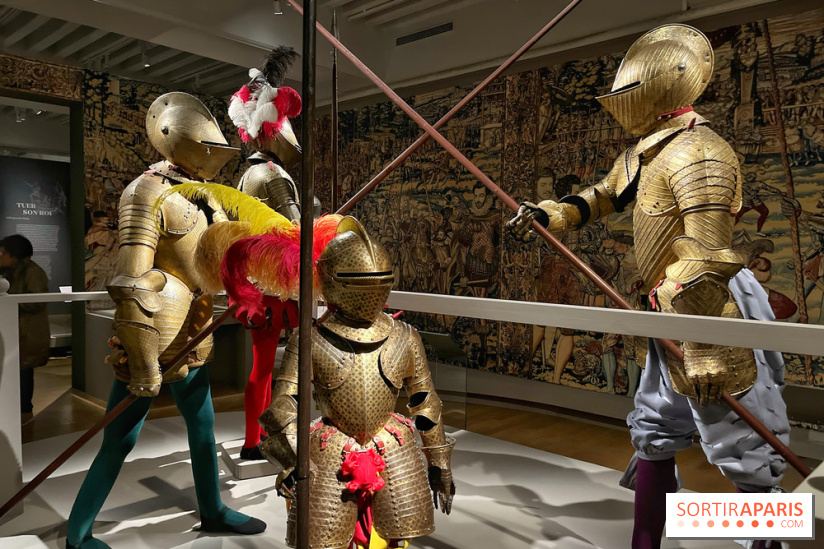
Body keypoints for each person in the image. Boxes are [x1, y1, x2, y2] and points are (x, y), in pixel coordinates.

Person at [508, 24, 789, 549]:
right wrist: (556, 214)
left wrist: (703, 342)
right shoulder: (647, 152)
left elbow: (707, 256)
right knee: (656, 433)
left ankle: (767, 541)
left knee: (746, 448)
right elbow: (604, 195)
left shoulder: (702, 153)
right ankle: (646, 543)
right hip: (665, 307)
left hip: (711, 310)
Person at [65, 93, 265, 549]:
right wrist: (142, 361)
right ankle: (78, 534)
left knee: (203, 427)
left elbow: (214, 261)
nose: (215, 155)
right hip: (152, 333)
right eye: (209, 146)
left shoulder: (204, 195)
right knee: (120, 438)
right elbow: (133, 280)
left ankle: (212, 510)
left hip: (194, 328)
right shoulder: (146, 191)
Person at [258, 217, 455, 548]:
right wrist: (292, 461)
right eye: (361, 280)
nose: (370, 289)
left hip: (393, 448)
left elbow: (425, 402)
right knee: (327, 538)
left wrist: (440, 462)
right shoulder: (310, 339)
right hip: (332, 450)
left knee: (394, 538)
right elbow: (283, 407)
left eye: (377, 280)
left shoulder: (404, 336)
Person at [228, 46, 303, 460]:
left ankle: (254, 441)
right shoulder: (273, 176)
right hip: (282, 282)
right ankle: (283, 435)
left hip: (257, 281)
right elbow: (293, 230)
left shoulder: (246, 175)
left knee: (260, 367)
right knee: (293, 366)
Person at [0, 234, 50, 423]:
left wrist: (9, 302)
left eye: (4, 252)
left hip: (25, 333)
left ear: (15, 254)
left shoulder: (32, 272)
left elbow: (37, 301)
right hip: (15, 331)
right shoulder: (11, 271)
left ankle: (24, 414)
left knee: (23, 374)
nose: (1, 256)